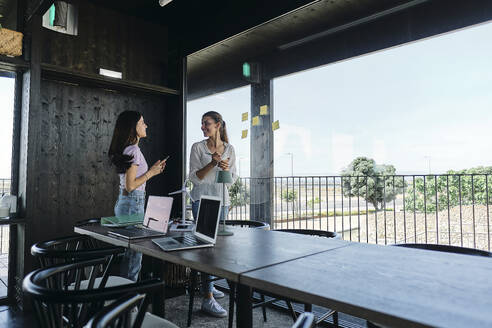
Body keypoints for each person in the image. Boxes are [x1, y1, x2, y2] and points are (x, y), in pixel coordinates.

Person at [189, 111, 238, 317]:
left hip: (223, 202)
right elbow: (194, 178)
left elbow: (232, 179)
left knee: (219, 249)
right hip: (202, 201)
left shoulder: (230, 149)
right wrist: (212, 163)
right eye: (202, 124)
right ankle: (207, 298)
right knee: (205, 249)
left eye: (206, 123)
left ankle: (208, 285)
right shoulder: (197, 147)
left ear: (218, 125)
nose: (203, 127)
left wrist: (225, 168)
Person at [108, 110, 166, 281]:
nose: (145, 125)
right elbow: (131, 185)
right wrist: (152, 173)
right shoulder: (133, 150)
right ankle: (128, 302)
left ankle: (124, 298)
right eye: (142, 122)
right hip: (133, 203)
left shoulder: (128, 149)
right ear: (133, 127)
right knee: (134, 256)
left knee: (130, 254)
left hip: (125, 203)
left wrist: (151, 171)